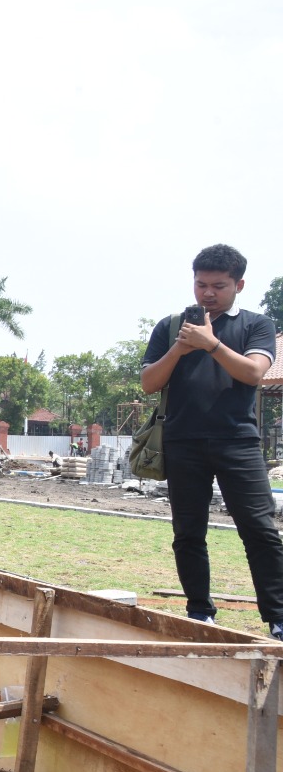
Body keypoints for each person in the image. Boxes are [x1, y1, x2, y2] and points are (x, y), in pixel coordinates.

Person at [140, 244, 283, 635]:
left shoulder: (257, 324)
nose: (207, 294)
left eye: (218, 286)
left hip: (239, 442)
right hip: (183, 442)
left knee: (261, 530)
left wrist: (212, 344)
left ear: (238, 284)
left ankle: (278, 617)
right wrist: (181, 347)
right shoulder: (171, 327)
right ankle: (199, 612)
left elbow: (254, 374)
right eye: (200, 284)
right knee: (188, 532)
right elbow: (150, 382)